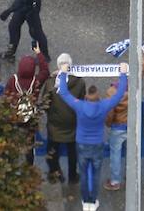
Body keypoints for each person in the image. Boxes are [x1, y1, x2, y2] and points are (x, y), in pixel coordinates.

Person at [56, 59, 128, 207]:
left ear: (86, 97)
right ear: (98, 97)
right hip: (97, 144)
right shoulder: (103, 105)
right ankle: (93, 200)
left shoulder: (80, 106)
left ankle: (85, 201)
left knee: (83, 174)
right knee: (95, 174)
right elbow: (119, 93)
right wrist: (123, 74)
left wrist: (63, 72)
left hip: (82, 143)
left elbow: (63, 92)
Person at [46, 53, 83, 185]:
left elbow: (45, 102)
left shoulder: (51, 83)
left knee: (52, 151)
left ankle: (54, 173)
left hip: (55, 124)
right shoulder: (79, 82)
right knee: (72, 152)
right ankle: (72, 176)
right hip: (72, 124)